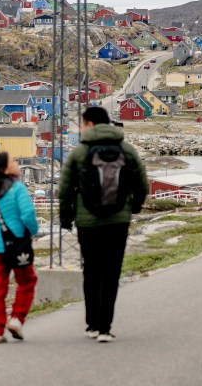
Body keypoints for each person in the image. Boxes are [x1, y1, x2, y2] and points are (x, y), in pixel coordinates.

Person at [59, 106, 148, 343]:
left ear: (89, 124)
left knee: (91, 271)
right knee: (111, 273)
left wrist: (66, 217)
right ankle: (105, 328)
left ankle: (92, 325)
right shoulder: (126, 149)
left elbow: (65, 189)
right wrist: (134, 207)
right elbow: (142, 184)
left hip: (88, 222)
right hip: (118, 221)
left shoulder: (79, 152)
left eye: (81, 123)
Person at [0, 152, 39, 344]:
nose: (16, 162)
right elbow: (27, 214)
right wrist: (31, 232)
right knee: (27, 282)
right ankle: (17, 319)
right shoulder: (17, 188)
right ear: (4, 168)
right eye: (13, 161)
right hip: (18, 244)